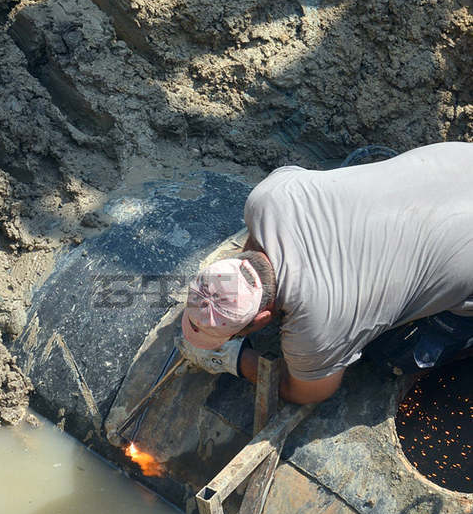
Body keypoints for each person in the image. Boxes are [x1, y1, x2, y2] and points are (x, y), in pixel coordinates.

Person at [176, 142, 473, 405]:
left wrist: (236, 360)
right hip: (456, 162)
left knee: (387, 354)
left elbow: (307, 393)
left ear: (262, 319)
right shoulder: (267, 198)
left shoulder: (319, 326)